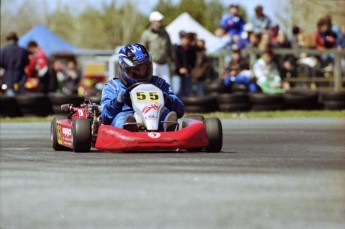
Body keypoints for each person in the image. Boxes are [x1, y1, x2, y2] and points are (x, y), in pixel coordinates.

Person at [101, 43, 185, 132]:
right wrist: (118, 101)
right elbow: (105, 116)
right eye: (136, 69)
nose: (141, 73)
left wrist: (169, 100)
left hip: (155, 115)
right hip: (128, 116)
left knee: (166, 114)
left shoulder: (159, 83)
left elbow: (180, 111)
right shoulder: (113, 86)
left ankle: (167, 128)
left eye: (144, 68)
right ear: (124, 69)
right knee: (121, 118)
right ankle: (129, 129)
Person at [140, 11, 175, 85]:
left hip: (164, 64)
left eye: (160, 21)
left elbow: (170, 48)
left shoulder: (165, 33)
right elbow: (142, 50)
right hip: (152, 64)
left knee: (166, 86)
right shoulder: (146, 34)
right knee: (152, 85)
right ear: (152, 22)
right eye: (158, 21)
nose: (159, 23)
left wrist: (173, 61)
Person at [0, 32, 29, 96]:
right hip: (20, 78)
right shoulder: (23, 51)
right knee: (21, 97)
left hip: (8, 78)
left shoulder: (3, 51)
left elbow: (1, 64)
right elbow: (27, 63)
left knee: (10, 99)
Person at [174, 31, 197, 97]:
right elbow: (175, 60)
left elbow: (193, 62)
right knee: (177, 91)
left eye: (187, 39)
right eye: (184, 39)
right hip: (177, 74)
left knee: (188, 91)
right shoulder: (176, 49)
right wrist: (179, 68)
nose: (185, 41)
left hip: (187, 74)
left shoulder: (192, 50)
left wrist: (187, 69)